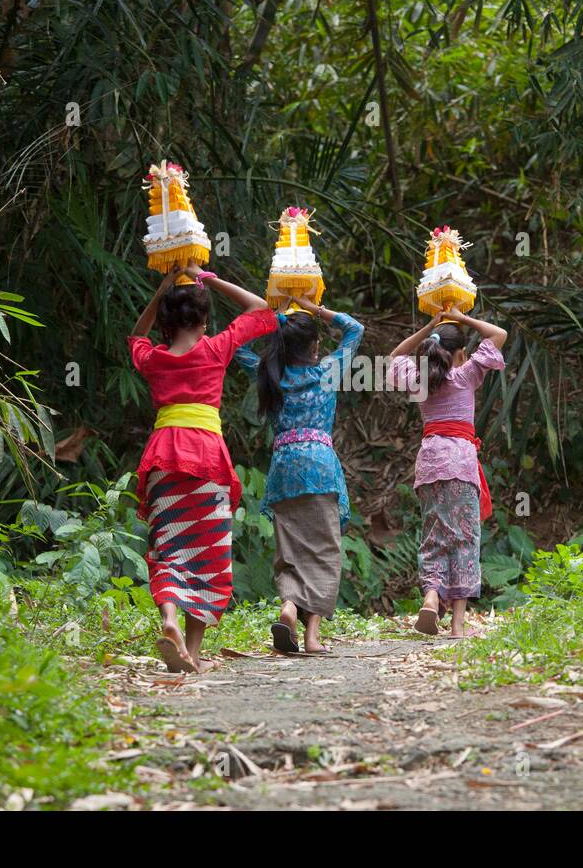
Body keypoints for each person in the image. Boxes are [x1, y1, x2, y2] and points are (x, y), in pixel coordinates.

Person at [128, 262, 275, 672]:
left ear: (167, 320)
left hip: (164, 457)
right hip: (207, 458)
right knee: (209, 553)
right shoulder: (216, 348)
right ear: (205, 320)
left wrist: (162, 288)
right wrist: (209, 278)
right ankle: (192, 651)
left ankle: (169, 620)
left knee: (169, 549)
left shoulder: (154, 359)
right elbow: (263, 309)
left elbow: (136, 336)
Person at [234, 296, 364, 653]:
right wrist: (315, 307)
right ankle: (311, 637)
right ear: (316, 344)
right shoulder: (327, 371)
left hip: (284, 469)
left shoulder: (269, 375)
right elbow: (355, 329)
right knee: (323, 551)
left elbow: (235, 344)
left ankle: (289, 606)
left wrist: (274, 318)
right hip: (320, 467)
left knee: (289, 550)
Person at [387, 304, 507, 638]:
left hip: (429, 464)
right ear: (460, 353)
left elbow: (395, 355)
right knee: (464, 540)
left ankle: (430, 596)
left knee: (435, 536)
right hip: (461, 463)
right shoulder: (467, 375)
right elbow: (499, 335)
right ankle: (457, 625)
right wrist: (462, 317)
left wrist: (430, 326)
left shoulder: (419, 380)